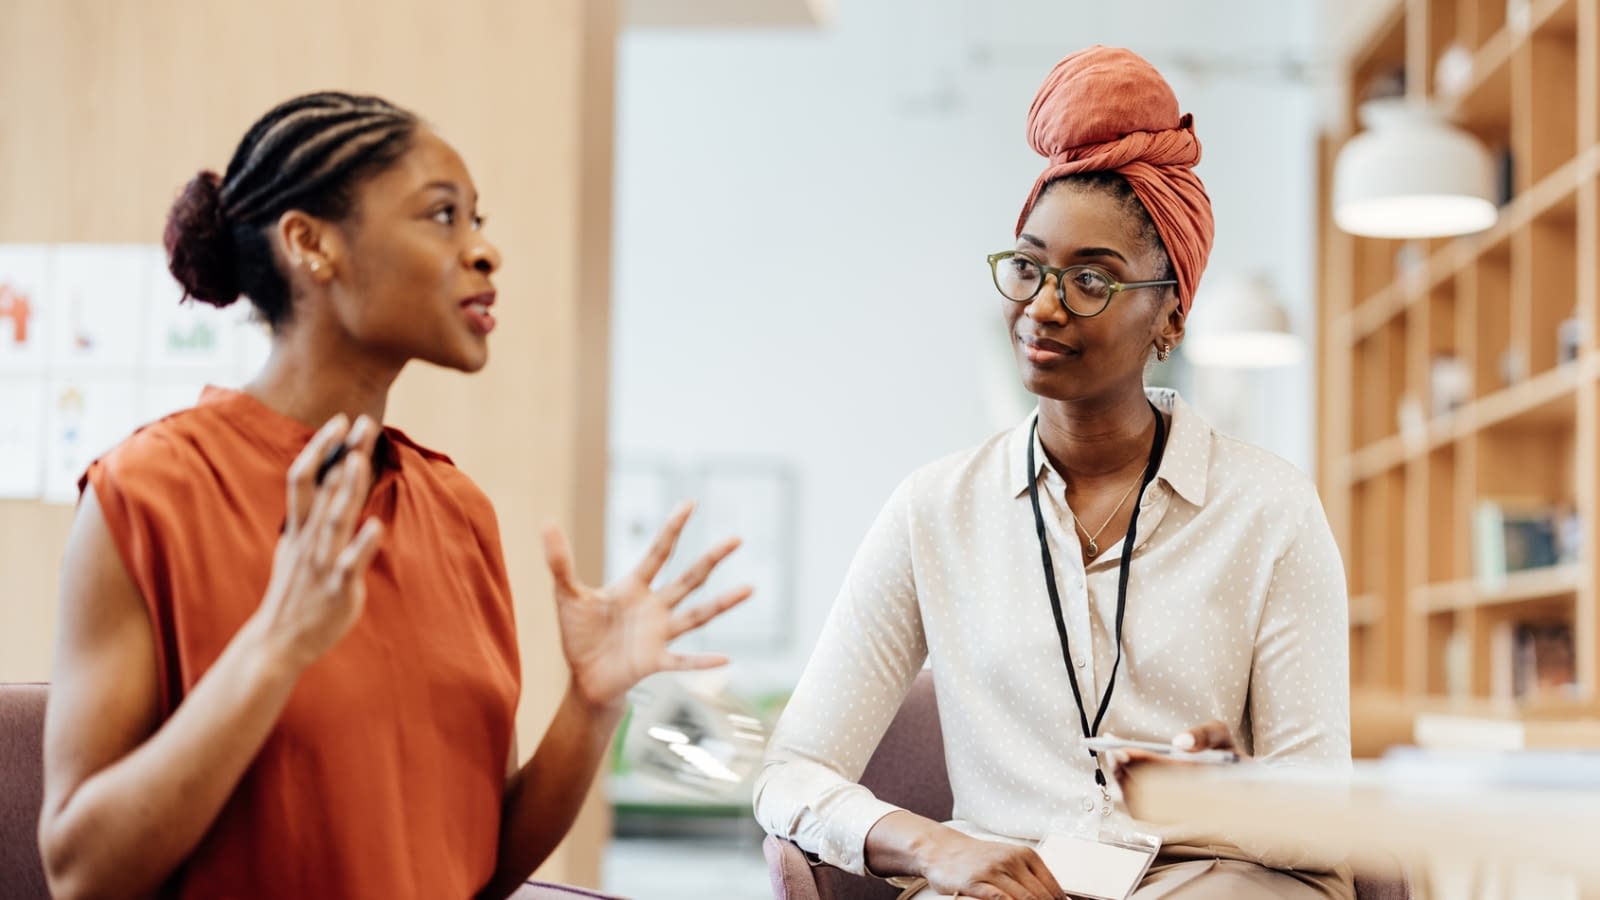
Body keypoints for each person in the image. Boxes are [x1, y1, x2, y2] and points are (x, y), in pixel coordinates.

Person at [37, 91, 749, 900]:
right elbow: (82, 872)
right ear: (311, 244)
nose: (485, 252)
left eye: (477, 220)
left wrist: (591, 706)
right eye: (442, 216)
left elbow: (478, 866)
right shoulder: (146, 493)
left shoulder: (456, 510)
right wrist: (275, 646)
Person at [753, 46, 1353, 900]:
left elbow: (1323, 809)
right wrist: (933, 847)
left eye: (1091, 281)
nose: (1042, 305)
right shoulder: (934, 510)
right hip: (1004, 883)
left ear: (1170, 316)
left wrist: (1232, 795)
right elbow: (790, 771)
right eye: (1029, 267)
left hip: (1209, 878)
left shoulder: (1271, 510)